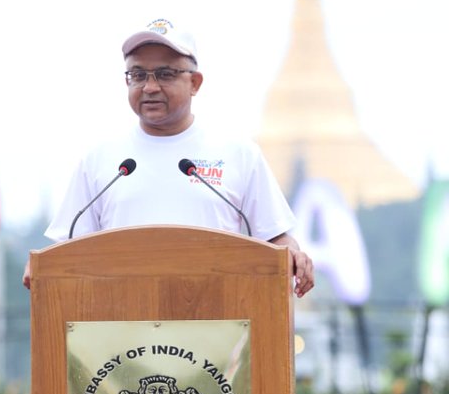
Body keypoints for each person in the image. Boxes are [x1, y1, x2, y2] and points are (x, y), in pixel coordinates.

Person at [23, 17, 314, 296]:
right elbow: (66, 249)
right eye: (138, 75)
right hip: (119, 330)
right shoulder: (101, 160)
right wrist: (41, 266)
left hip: (217, 326)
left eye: (165, 74)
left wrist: (294, 254)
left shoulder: (238, 154)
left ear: (195, 83)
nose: (149, 87)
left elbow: (275, 238)